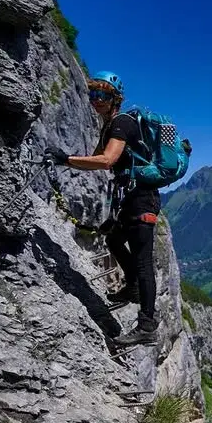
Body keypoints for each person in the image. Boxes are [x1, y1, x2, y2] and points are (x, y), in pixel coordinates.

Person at [45, 71, 160, 346]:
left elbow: (107, 160)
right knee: (113, 238)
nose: (96, 100)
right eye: (93, 94)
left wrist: (65, 160)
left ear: (115, 99)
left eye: (103, 95)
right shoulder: (110, 125)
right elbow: (99, 157)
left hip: (141, 200)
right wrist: (64, 161)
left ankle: (147, 325)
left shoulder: (120, 124)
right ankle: (132, 288)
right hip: (132, 198)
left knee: (144, 263)